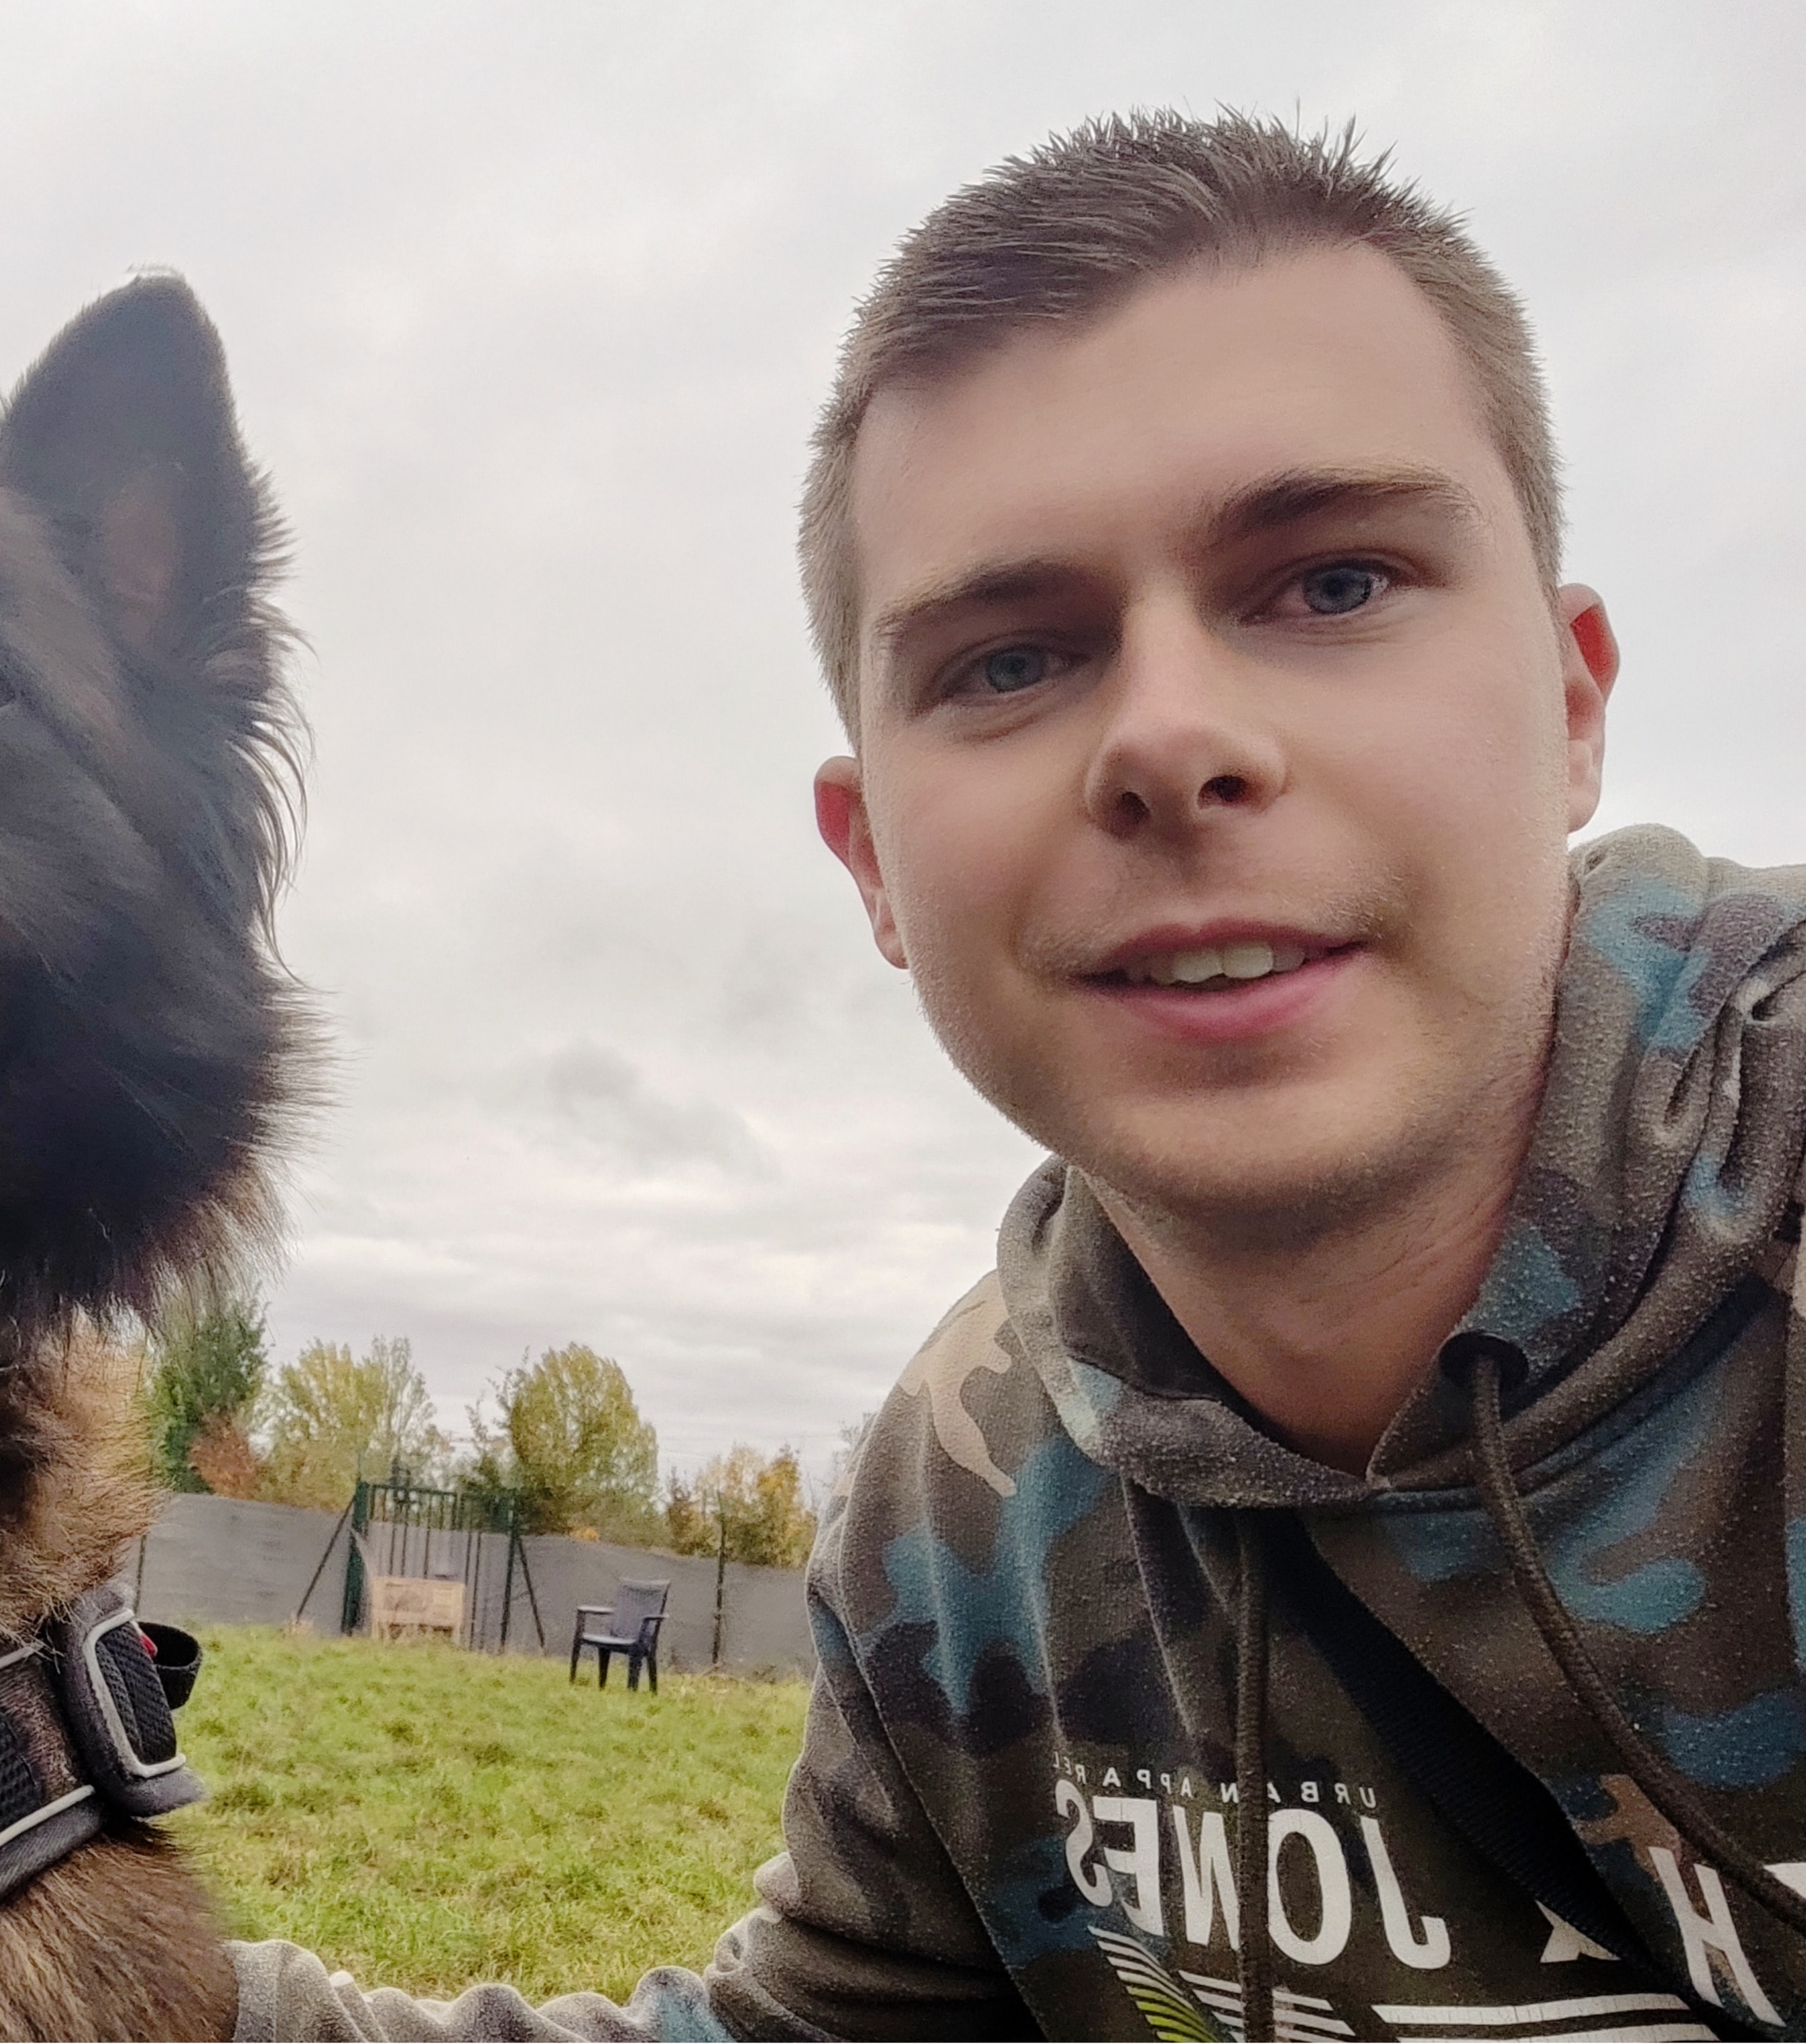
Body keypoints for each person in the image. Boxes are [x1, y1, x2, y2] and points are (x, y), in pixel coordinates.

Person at [231, 110, 1806, 2041]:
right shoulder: (968, 1497)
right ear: (873, 865)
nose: (1172, 738)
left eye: (1333, 583)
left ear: (1571, 703)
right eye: (1006, 660)